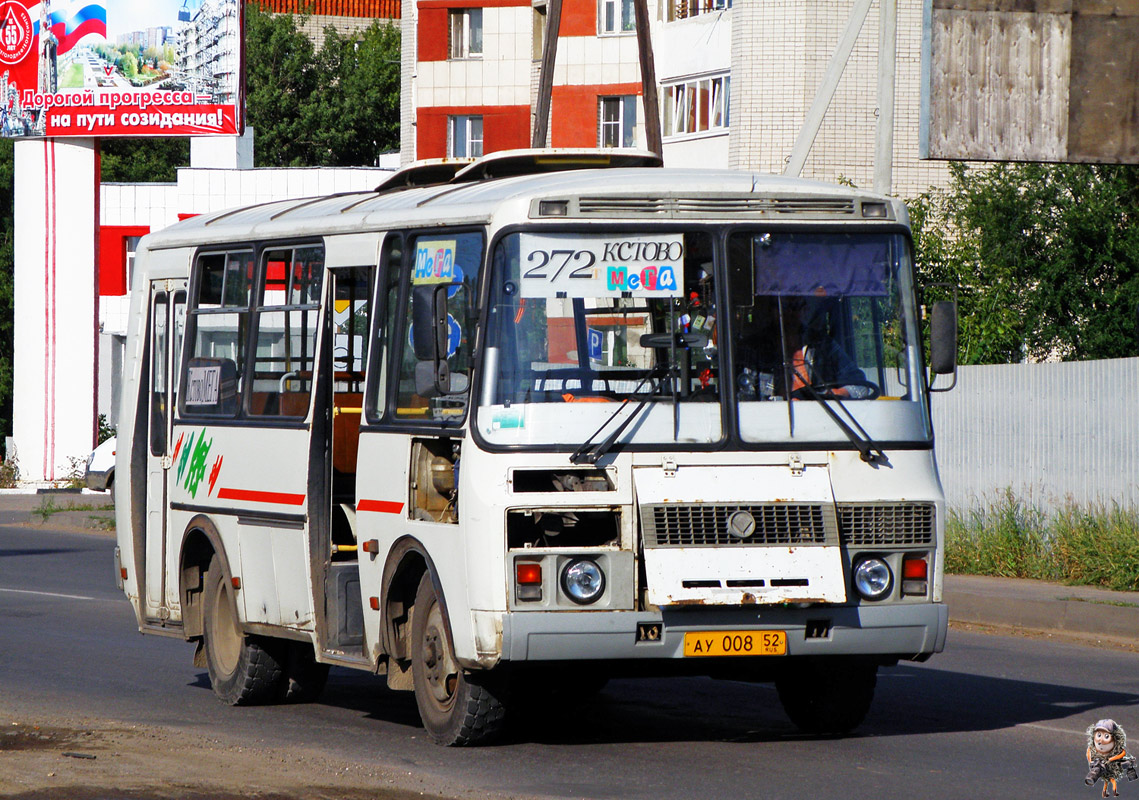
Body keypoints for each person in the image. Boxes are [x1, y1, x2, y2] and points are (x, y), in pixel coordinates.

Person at [736, 295, 873, 400]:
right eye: (782, 307)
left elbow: (861, 386)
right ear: (771, 311)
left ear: (805, 310)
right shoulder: (752, 349)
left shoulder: (822, 345)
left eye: (795, 307)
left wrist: (836, 394)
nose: (789, 313)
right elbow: (743, 401)